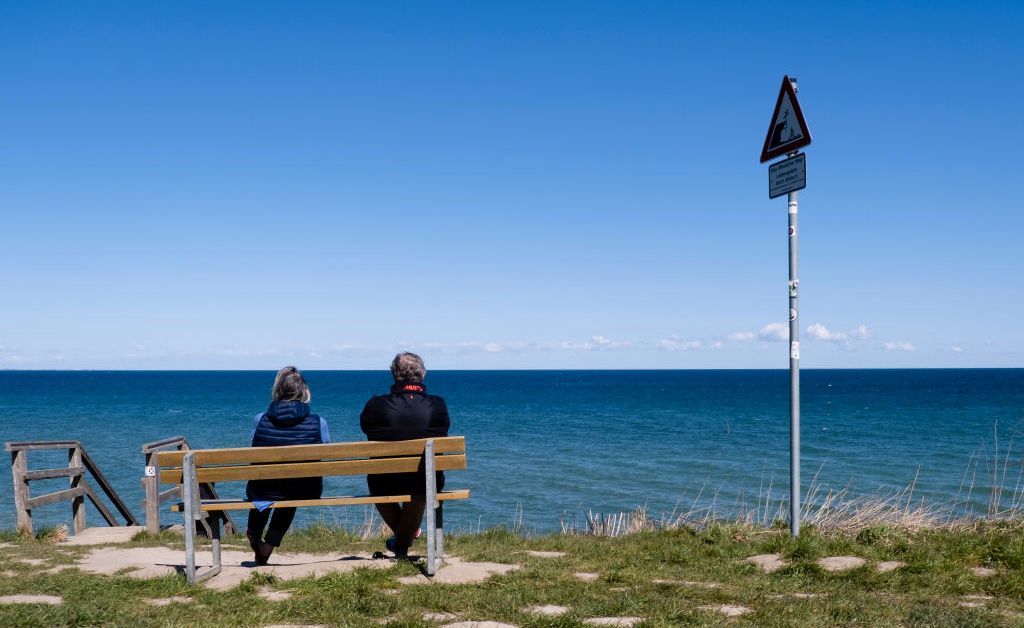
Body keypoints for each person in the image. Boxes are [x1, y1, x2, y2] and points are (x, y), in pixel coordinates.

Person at [360, 352, 450, 558]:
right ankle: (404, 539)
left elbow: (366, 428)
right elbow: (444, 428)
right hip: (427, 480)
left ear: (394, 374)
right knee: (422, 483)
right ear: (422, 374)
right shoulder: (438, 405)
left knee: (376, 482)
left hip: (385, 481)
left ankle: (403, 540)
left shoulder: (377, 405)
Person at [245, 366, 330, 566]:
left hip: (264, 487)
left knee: (265, 489)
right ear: (304, 392)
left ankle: (254, 532)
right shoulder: (319, 422)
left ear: (277, 391)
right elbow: (324, 452)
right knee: (293, 489)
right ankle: (268, 546)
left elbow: (254, 449)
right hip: (304, 489)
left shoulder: (260, 420)